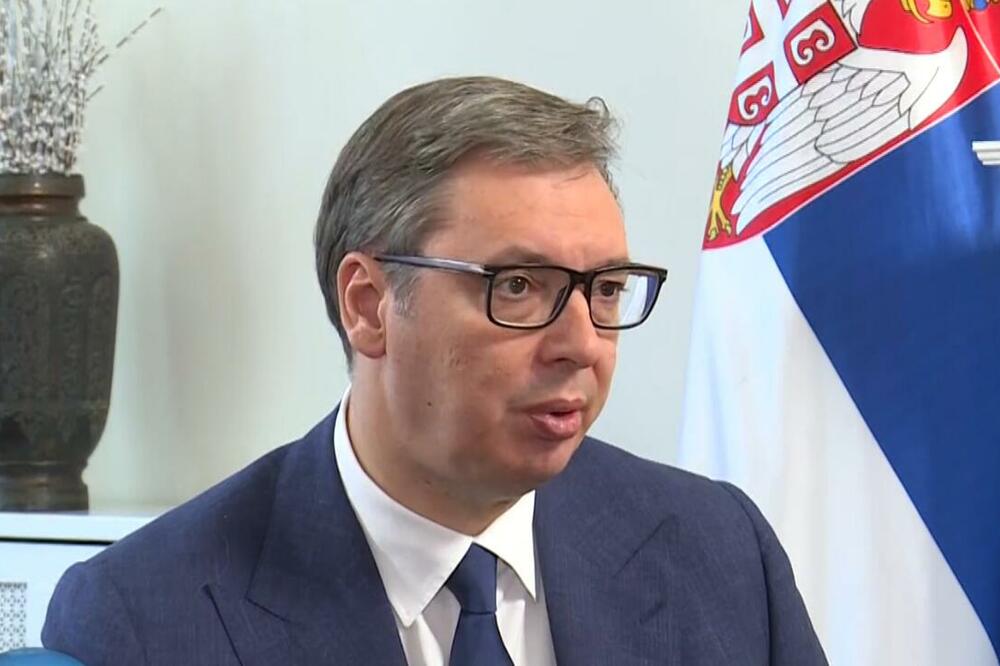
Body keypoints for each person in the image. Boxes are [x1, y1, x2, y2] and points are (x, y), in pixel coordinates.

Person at [42, 76, 827, 665]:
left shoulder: (719, 554)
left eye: (606, 289)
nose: (582, 343)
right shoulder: (144, 618)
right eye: (518, 287)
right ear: (368, 305)